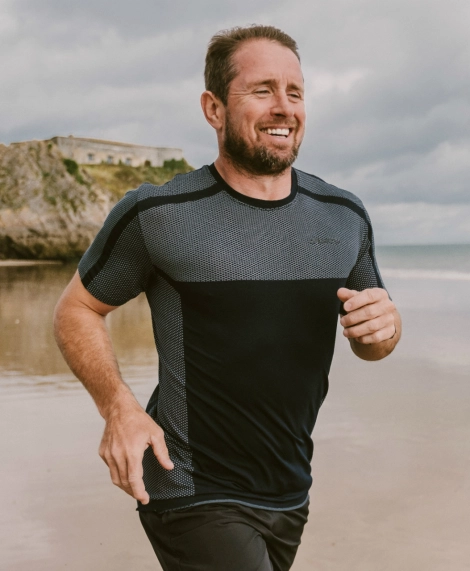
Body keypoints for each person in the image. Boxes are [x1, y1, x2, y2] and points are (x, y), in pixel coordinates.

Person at [53, 24, 401, 571]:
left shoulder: (344, 216)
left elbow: (373, 340)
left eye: (295, 92)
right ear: (213, 109)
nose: (283, 107)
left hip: (290, 487)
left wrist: (386, 331)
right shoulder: (157, 215)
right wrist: (117, 408)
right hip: (190, 485)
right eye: (262, 91)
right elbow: (76, 309)